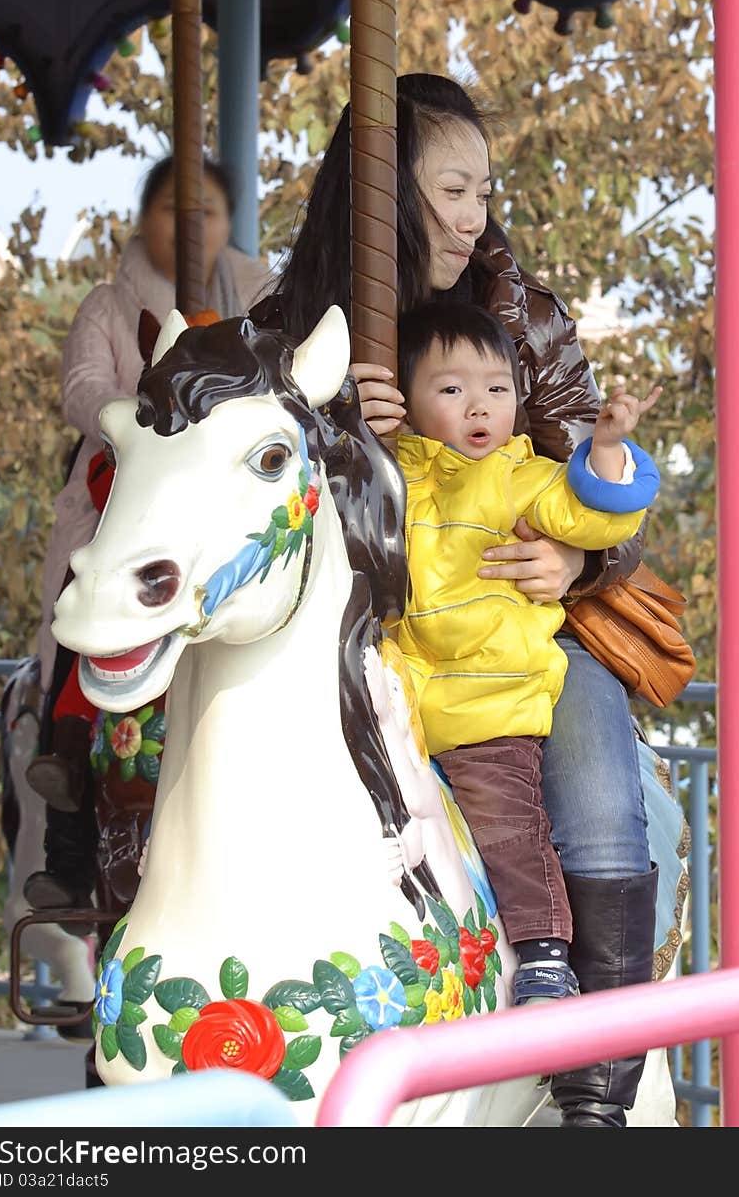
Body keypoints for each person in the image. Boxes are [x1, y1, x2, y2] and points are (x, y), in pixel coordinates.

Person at [267, 71, 667, 1128]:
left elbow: (599, 486)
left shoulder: (522, 318)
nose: (471, 214)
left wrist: (577, 569)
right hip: (367, 642)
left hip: (509, 632)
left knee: (595, 804)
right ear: (380, 189)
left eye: (483, 189)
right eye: (448, 187)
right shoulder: (297, 326)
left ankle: (598, 1095)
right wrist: (338, 423)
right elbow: (246, 485)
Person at [395, 301, 661, 1008]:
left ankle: (545, 950)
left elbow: (593, 514)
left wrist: (604, 452)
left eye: (496, 390)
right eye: (451, 390)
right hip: (401, 700)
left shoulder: (522, 476)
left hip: (487, 699)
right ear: (407, 400)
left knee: (509, 822)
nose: (477, 406)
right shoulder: (393, 475)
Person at [24, 154, 270, 915]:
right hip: (119, 496)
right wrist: (148, 415)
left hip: (221, 512)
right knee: (86, 613)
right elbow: (81, 391)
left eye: (208, 212)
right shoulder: (109, 305)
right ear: (144, 219)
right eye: (173, 210)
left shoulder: (261, 296)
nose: (191, 226)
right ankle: (66, 812)